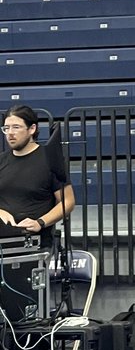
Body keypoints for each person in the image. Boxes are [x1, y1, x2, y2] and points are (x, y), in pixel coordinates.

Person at [0, 105, 76, 247]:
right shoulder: (1, 161)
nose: (10, 133)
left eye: (16, 127)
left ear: (32, 129)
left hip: (34, 243)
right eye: (6, 128)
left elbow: (68, 201)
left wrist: (40, 222)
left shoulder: (49, 159)